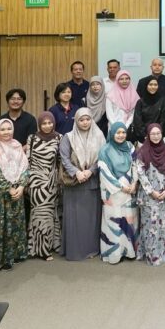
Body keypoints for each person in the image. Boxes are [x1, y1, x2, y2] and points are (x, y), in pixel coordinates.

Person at [0, 119, 30, 271]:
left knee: (15, 225)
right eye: (2, 129)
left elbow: (25, 168)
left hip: (17, 192)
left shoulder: (16, 145)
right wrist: (9, 188)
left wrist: (22, 186)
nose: (6, 132)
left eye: (9, 128)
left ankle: (12, 256)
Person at [60, 108, 106, 261]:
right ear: (76, 121)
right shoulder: (68, 137)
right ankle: (75, 251)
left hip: (92, 182)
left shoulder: (99, 135)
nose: (85, 122)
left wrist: (91, 171)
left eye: (88, 119)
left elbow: (103, 156)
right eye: (81, 120)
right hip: (74, 183)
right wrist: (77, 172)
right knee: (75, 218)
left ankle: (91, 249)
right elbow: (64, 158)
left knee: (90, 219)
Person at [136, 123, 165, 266]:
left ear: (162, 135)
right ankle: (151, 255)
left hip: (164, 193)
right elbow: (140, 173)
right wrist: (151, 191)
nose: (155, 136)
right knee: (150, 225)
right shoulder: (142, 151)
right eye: (152, 134)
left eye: (158, 133)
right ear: (148, 135)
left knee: (164, 224)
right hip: (149, 195)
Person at [98, 122, 138, 264]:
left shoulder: (130, 147)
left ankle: (129, 251)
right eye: (118, 132)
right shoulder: (105, 150)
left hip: (129, 191)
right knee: (114, 223)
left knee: (128, 221)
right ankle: (114, 254)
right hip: (113, 193)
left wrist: (134, 183)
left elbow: (136, 166)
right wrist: (120, 186)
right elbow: (104, 173)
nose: (121, 135)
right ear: (112, 133)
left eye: (123, 132)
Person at [25, 112, 62, 261]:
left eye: (50, 123)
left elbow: (60, 161)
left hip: (51, 181)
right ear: (39, 125)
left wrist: (58, 181)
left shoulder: (59, 138)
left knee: (50, 214)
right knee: (40, 214)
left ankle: (52, 244)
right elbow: (27, 160)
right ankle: (41, 249)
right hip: (36, 181)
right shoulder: (32, 138)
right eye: (44, 123)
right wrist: (27, 181)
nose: (47, 126)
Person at [129, 77, 165, 143]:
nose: (153, 87)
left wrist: (156, 134)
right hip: (144, 138)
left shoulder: (163, 100)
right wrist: (146, 135)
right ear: (146, 86)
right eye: (150, 84)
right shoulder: (140, 102)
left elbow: (164, 119)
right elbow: (138, 121)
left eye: (155, 85)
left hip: (159, 136)